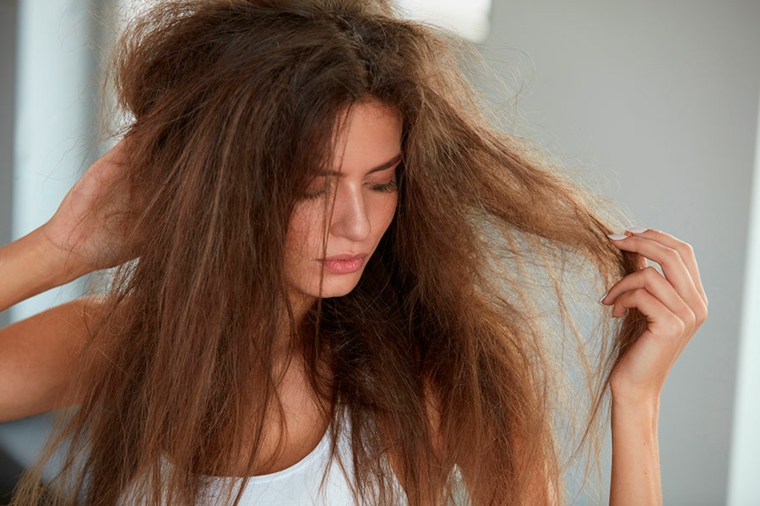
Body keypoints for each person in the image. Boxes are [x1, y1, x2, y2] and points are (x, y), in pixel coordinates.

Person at [0, 0, 708, 504]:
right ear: (224, 191)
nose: (355, 225)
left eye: (381, 182)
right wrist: (60, 249)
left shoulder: (435, 380)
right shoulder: (122, 343)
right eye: (311, 188)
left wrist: (636, 402)